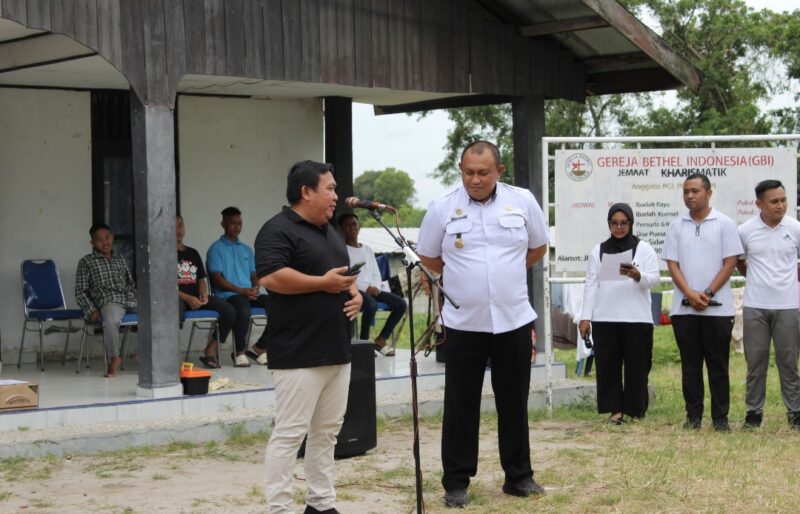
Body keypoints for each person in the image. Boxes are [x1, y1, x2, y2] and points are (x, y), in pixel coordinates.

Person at [417, 141, 549, 508]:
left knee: (514, 400)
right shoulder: (442, 207)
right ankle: (457, 481)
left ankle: (518, 476)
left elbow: (538, 246)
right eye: (468, 172)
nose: (475, 180)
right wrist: (468, 278)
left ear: (499, 172)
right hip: (463, 322)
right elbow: (429, 256)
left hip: (513, 319)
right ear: (461, 170)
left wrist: (505, 272)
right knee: (461, 404)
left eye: (483, 173)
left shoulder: (522, 201)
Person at [254, 160, 362, 514]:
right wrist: (323, 284)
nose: (336, 196)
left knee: (327, 432)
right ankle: (281, 508)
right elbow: (271, 278)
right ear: (306, 192)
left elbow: (343, 278)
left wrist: (356, 294)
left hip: (337, 348)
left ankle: (320, 503)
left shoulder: (331, 232)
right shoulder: (277, 230)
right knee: (290, 434)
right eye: (329, 188)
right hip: (298, 353)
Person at [664, 173, 743, 432]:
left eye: (695, 191)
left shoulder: (725, 224)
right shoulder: (676, 226)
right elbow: (672, 264)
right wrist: (689, 293)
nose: (689, 196)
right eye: (686, 191)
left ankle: (720, 419)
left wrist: (707, 293)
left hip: (718, 310)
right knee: (690, 367)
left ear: (709, 193)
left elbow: (730, 263)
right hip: (684, 309)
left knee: (718, 366)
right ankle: (693, 418)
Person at [578, 204, 659, 424]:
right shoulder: (598, 250)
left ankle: (634, 410)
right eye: (614, 223)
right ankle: (614, 409)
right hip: (606, 318)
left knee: (637, 366)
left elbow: (655, 279)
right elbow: (590, 285)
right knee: (608, 367)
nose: (619, 227)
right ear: (609, 224)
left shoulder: (644, 248)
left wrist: (638, 275)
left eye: (624, 223)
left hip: (637, 318)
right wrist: (585, 317)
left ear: (631, 224)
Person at [736, 180, 800, 429]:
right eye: (774, 201)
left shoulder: (795, 228)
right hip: (755, 306)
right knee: (755, 362)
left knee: (789, 362)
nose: (780, 205)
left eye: (783, 200)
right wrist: (756, 279)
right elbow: (740, 262)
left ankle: (795, 413)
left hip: (788, 306)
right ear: (759, 204)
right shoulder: (745, 231)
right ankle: (753, 414)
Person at [337, 212, 407, 356]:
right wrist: (365, 287)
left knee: (401, 304)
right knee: (371, 305)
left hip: (372, 289)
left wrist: (375, 286)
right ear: (341, 229)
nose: (352, 228)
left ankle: (381, 339)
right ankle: (364, 344)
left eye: (354, 224)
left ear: (359, 226)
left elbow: (375, 272)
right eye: (347, 225)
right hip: (354, 290)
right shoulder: (342, 250)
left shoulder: (367, 250)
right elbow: (347, 275)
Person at [206, 206, 268, 367]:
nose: (237, 227)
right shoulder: (216, 249)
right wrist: (241, 291)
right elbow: (217, 279)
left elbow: (254, 275)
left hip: (247, 294)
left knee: (278, 304)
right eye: (232, 223)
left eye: (239, 223)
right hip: (228, 296)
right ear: (223, 224)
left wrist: (255, 288)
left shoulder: (247, 250)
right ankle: (239, 351)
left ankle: (260, 347)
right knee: (243, 307)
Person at [74, 222, 137, 377]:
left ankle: (147, 352)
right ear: (92, 243)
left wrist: (136, 294)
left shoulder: (121, 259)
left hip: (130, 299)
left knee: (156, 312)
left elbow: (130, 283)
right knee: (110, 321)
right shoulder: (86, 262)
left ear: (113, 237)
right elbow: (80, 292)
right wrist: (91, 309)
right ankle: (115, 357)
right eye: (99, 240)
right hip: (110, 301)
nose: (105, 242)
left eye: (107, 238)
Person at [176, 215, 237, 369]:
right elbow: (164, 285)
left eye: (180, 225)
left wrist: (203, 294)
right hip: (177, 298)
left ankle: (210, 350)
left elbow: (201, 280)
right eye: (173, 226)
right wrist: (187, 298)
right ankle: (171, 356)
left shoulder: (192, 253)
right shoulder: (162, 255)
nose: (178, 230)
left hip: (196, 298)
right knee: (174, 312)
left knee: (229, 311)